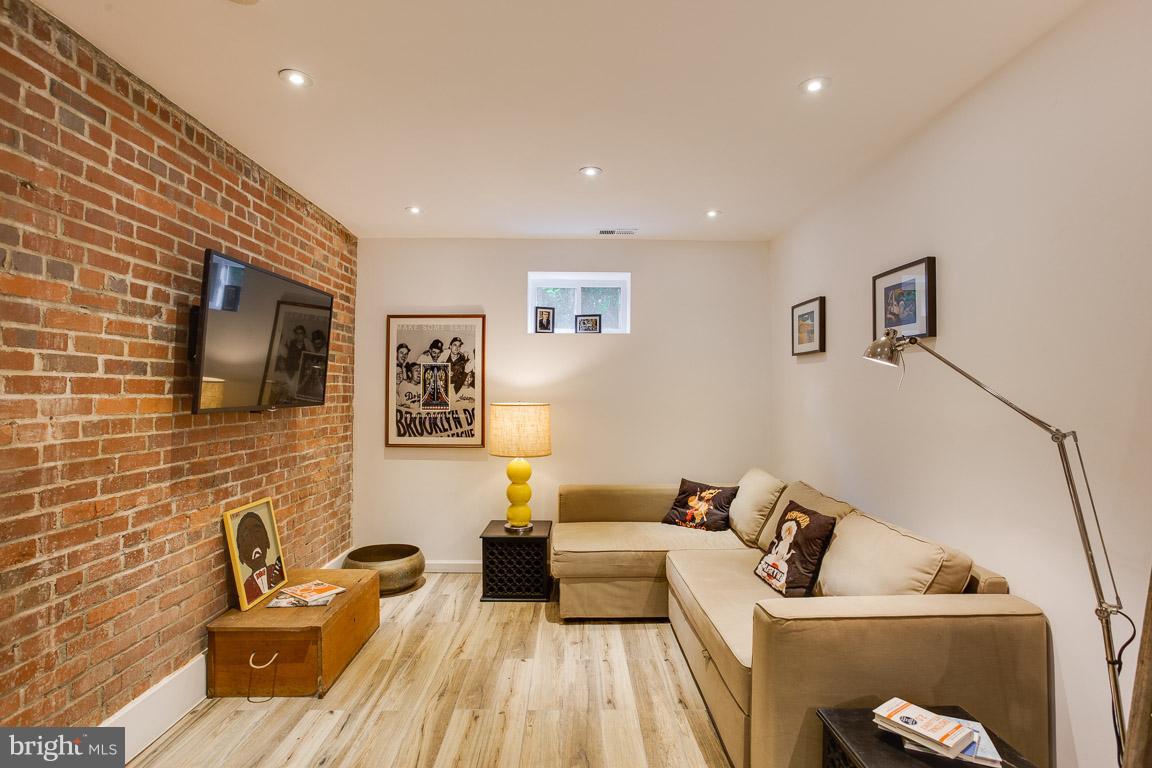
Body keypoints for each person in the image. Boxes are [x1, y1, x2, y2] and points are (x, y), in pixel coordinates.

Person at [235, 511, 284, 604]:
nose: (253, 539)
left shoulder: (278, 571)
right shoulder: (245, 589)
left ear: (267, 540)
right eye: (246, 537)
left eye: (257, 532)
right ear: (240, 557)